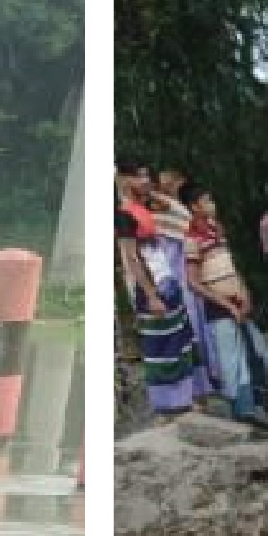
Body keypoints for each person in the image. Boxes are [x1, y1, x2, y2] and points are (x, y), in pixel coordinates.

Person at [116, 163, 203, 419]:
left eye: (145, 176)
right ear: (122, 178)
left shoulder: (144, 207)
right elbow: (132, 258)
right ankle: (166, 404)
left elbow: (181, 215)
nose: (144, 180)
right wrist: (151, 294)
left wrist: (150, 193)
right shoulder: (124, 214)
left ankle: (184, 398)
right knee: (160, 344)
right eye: (137, 176)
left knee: (179, 338)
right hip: (150, 284)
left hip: (166, 278)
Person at [185, 191, 268, 423]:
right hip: (218, 305)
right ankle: (241, 412)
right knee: (232, 360)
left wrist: (243, 292)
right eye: (207, 201)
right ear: (194, 206)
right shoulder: (192, 239)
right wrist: (226, 304)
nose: (212, 205)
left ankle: (251, 407)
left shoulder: (217, 231)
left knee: (255, 355)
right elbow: (194, 282)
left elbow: (232, 267)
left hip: (236, 300)